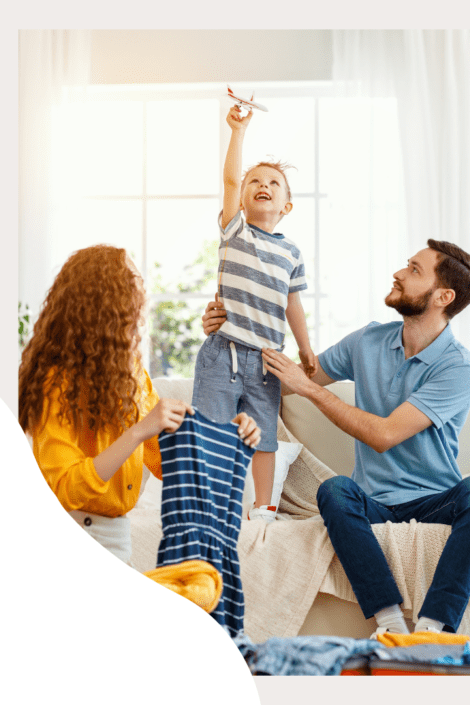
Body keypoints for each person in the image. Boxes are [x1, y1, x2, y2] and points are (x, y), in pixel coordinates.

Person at [203, 239, 470, 636]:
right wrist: (231, 330)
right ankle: (390, 622)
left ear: (442, 296)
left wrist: (310, 391)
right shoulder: (370, 340)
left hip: (435, 501)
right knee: (335, 491)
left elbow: (385, 435)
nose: (398, 272)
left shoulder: (458, 367)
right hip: (372, 501)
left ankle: (432, 626)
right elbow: (293, 380)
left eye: (414, 270)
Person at [19, 244, 260, 564]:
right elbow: (64, 488)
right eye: (132, 279)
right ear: (105, 297)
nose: (142, 288)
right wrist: (136, 433)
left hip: (116, 538)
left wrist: (227, 437)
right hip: (75, 535)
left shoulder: (130, 374)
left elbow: (168, 462)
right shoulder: (56, 382)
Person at [193, 103, 316, 523]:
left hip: (266, 360)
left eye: (274, 183)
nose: (263, 185)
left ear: (287, 206)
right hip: (222, 351)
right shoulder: (235, 231)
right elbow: (229, 178)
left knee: (263, 436)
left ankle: (263, 506)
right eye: (254, 182)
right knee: (211, 431)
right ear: (242, 199)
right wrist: (238, 132)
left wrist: (306, 349)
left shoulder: (292, 253)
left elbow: (293, 302)